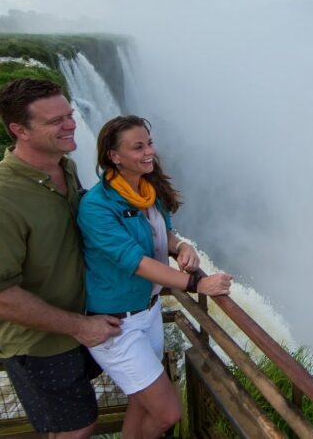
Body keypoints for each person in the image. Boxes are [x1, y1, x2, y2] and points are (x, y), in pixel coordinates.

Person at [77, 115, 233, 439]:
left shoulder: (148, 191)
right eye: (138, 146)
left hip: (148, 312)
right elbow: (137, 262)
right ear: (113, 156)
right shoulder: (97, 206)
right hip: (116, 323)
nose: (149, 151)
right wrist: (197, 284)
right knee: (167, 413)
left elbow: (165, 235)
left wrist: (182, 245)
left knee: (141, 402)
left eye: (149, 142)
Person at [0, 78, 123, 439]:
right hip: (40, 342)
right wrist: (79, 326)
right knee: (75, 429)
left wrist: (171, 241)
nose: (71, 124)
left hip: (79, 324)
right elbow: (3, 296)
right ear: (19, 130)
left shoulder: (62, 166)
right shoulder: (5, 196)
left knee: (71, 423)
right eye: (56, 121)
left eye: (69, 114)